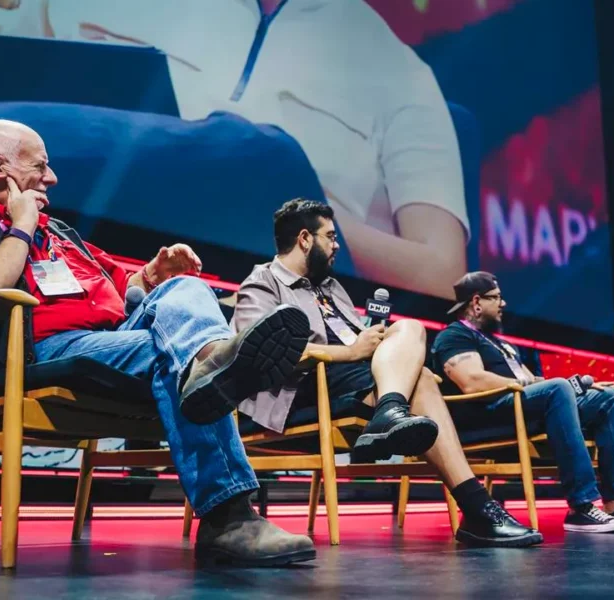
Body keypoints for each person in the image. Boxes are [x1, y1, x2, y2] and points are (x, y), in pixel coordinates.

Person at [0, 119, 318, 566]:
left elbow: (117, 284)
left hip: (113, 336)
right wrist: (21, 228)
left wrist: (154, 275)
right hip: (44, 348)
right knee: (170, 355)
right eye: (40, 167)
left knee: (186, 289)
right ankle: (230, 515)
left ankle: (211, 359)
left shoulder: (62, 234)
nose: (52, 178)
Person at [0, 0, 469, 299]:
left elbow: (444, 272)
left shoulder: (401, 75)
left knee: (254, 149)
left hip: (262, 243)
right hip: (89, 214)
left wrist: (298, 214)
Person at [232, 199, 542, 548]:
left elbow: (360, 343)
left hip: (356, 378)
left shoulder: (331, 288)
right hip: (303, 388)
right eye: (330, 236)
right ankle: (477, 509)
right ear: (305, 238)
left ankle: (390, 410)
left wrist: (374, 340)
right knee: (422, 380)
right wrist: (350, 351)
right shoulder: (263, 281)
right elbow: (255, 354)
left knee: (410, 328)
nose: (337, 245)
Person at [434, 272, 614, 532]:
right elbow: (472, 381)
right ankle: (581, 506)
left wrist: (576, 384)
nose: (503, 304)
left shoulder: (500, 344)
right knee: (557, 388)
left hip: (521, 408)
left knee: (608, 398)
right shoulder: (454, 336)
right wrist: (548, 386)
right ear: (477, 302)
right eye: (497, 298)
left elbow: (533, 380)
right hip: (488, 415)